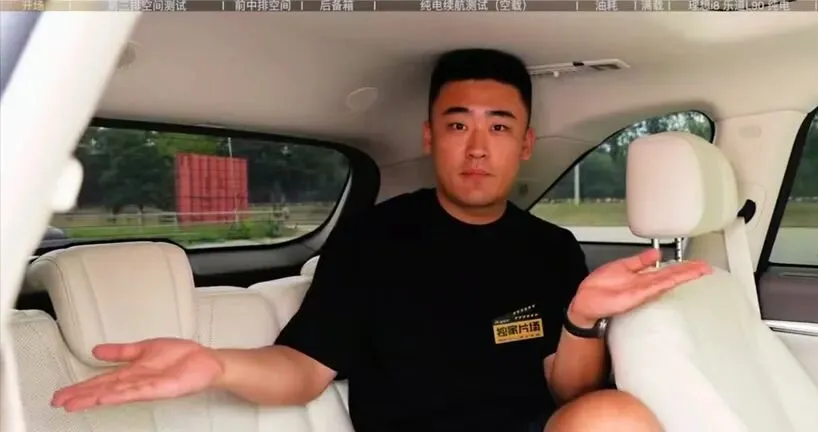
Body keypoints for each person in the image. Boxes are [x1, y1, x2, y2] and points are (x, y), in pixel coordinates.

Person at [49, 48, 711, 432]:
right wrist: (219, 366)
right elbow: (303, 368)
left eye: (500, 127)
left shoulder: (551, 247)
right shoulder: (374, 240)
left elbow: (568, 394)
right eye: (458, 125)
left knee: (615, 415)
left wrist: (581, 318)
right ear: (430, 136)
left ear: (525, 143)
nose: (478, 148)